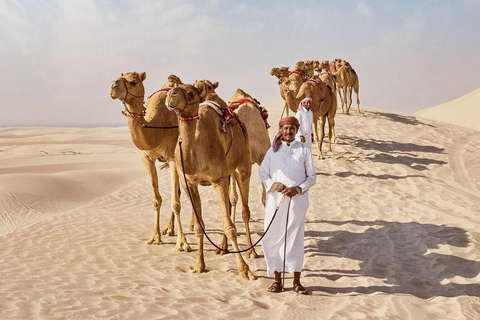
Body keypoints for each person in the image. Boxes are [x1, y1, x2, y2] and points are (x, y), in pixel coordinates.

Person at [259, 116, 316, 294]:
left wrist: (298, 189)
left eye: (292, 128)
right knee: (272, 237)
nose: (289, 131)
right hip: (275, 200)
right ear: (281, 130)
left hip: (297, 201)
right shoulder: (273, 151)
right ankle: (277, 281)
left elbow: (312, 177)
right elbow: (263, 172)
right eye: (285, 128)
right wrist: (272, 184)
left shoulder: (304, 150)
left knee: (294, 239)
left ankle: (296, 282)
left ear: (297, 129)